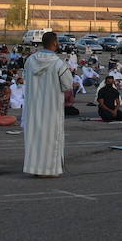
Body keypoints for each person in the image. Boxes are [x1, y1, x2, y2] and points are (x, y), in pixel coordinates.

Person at [22, 31, 73, 176]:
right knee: (51, 139)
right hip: (51, 108)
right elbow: (68, 85)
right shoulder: (58, 64)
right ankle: (49, 170)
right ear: (55, 43)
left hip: (33, 107)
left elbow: (26, 78)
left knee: (34, 139)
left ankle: (34, 168)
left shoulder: (30, 61)